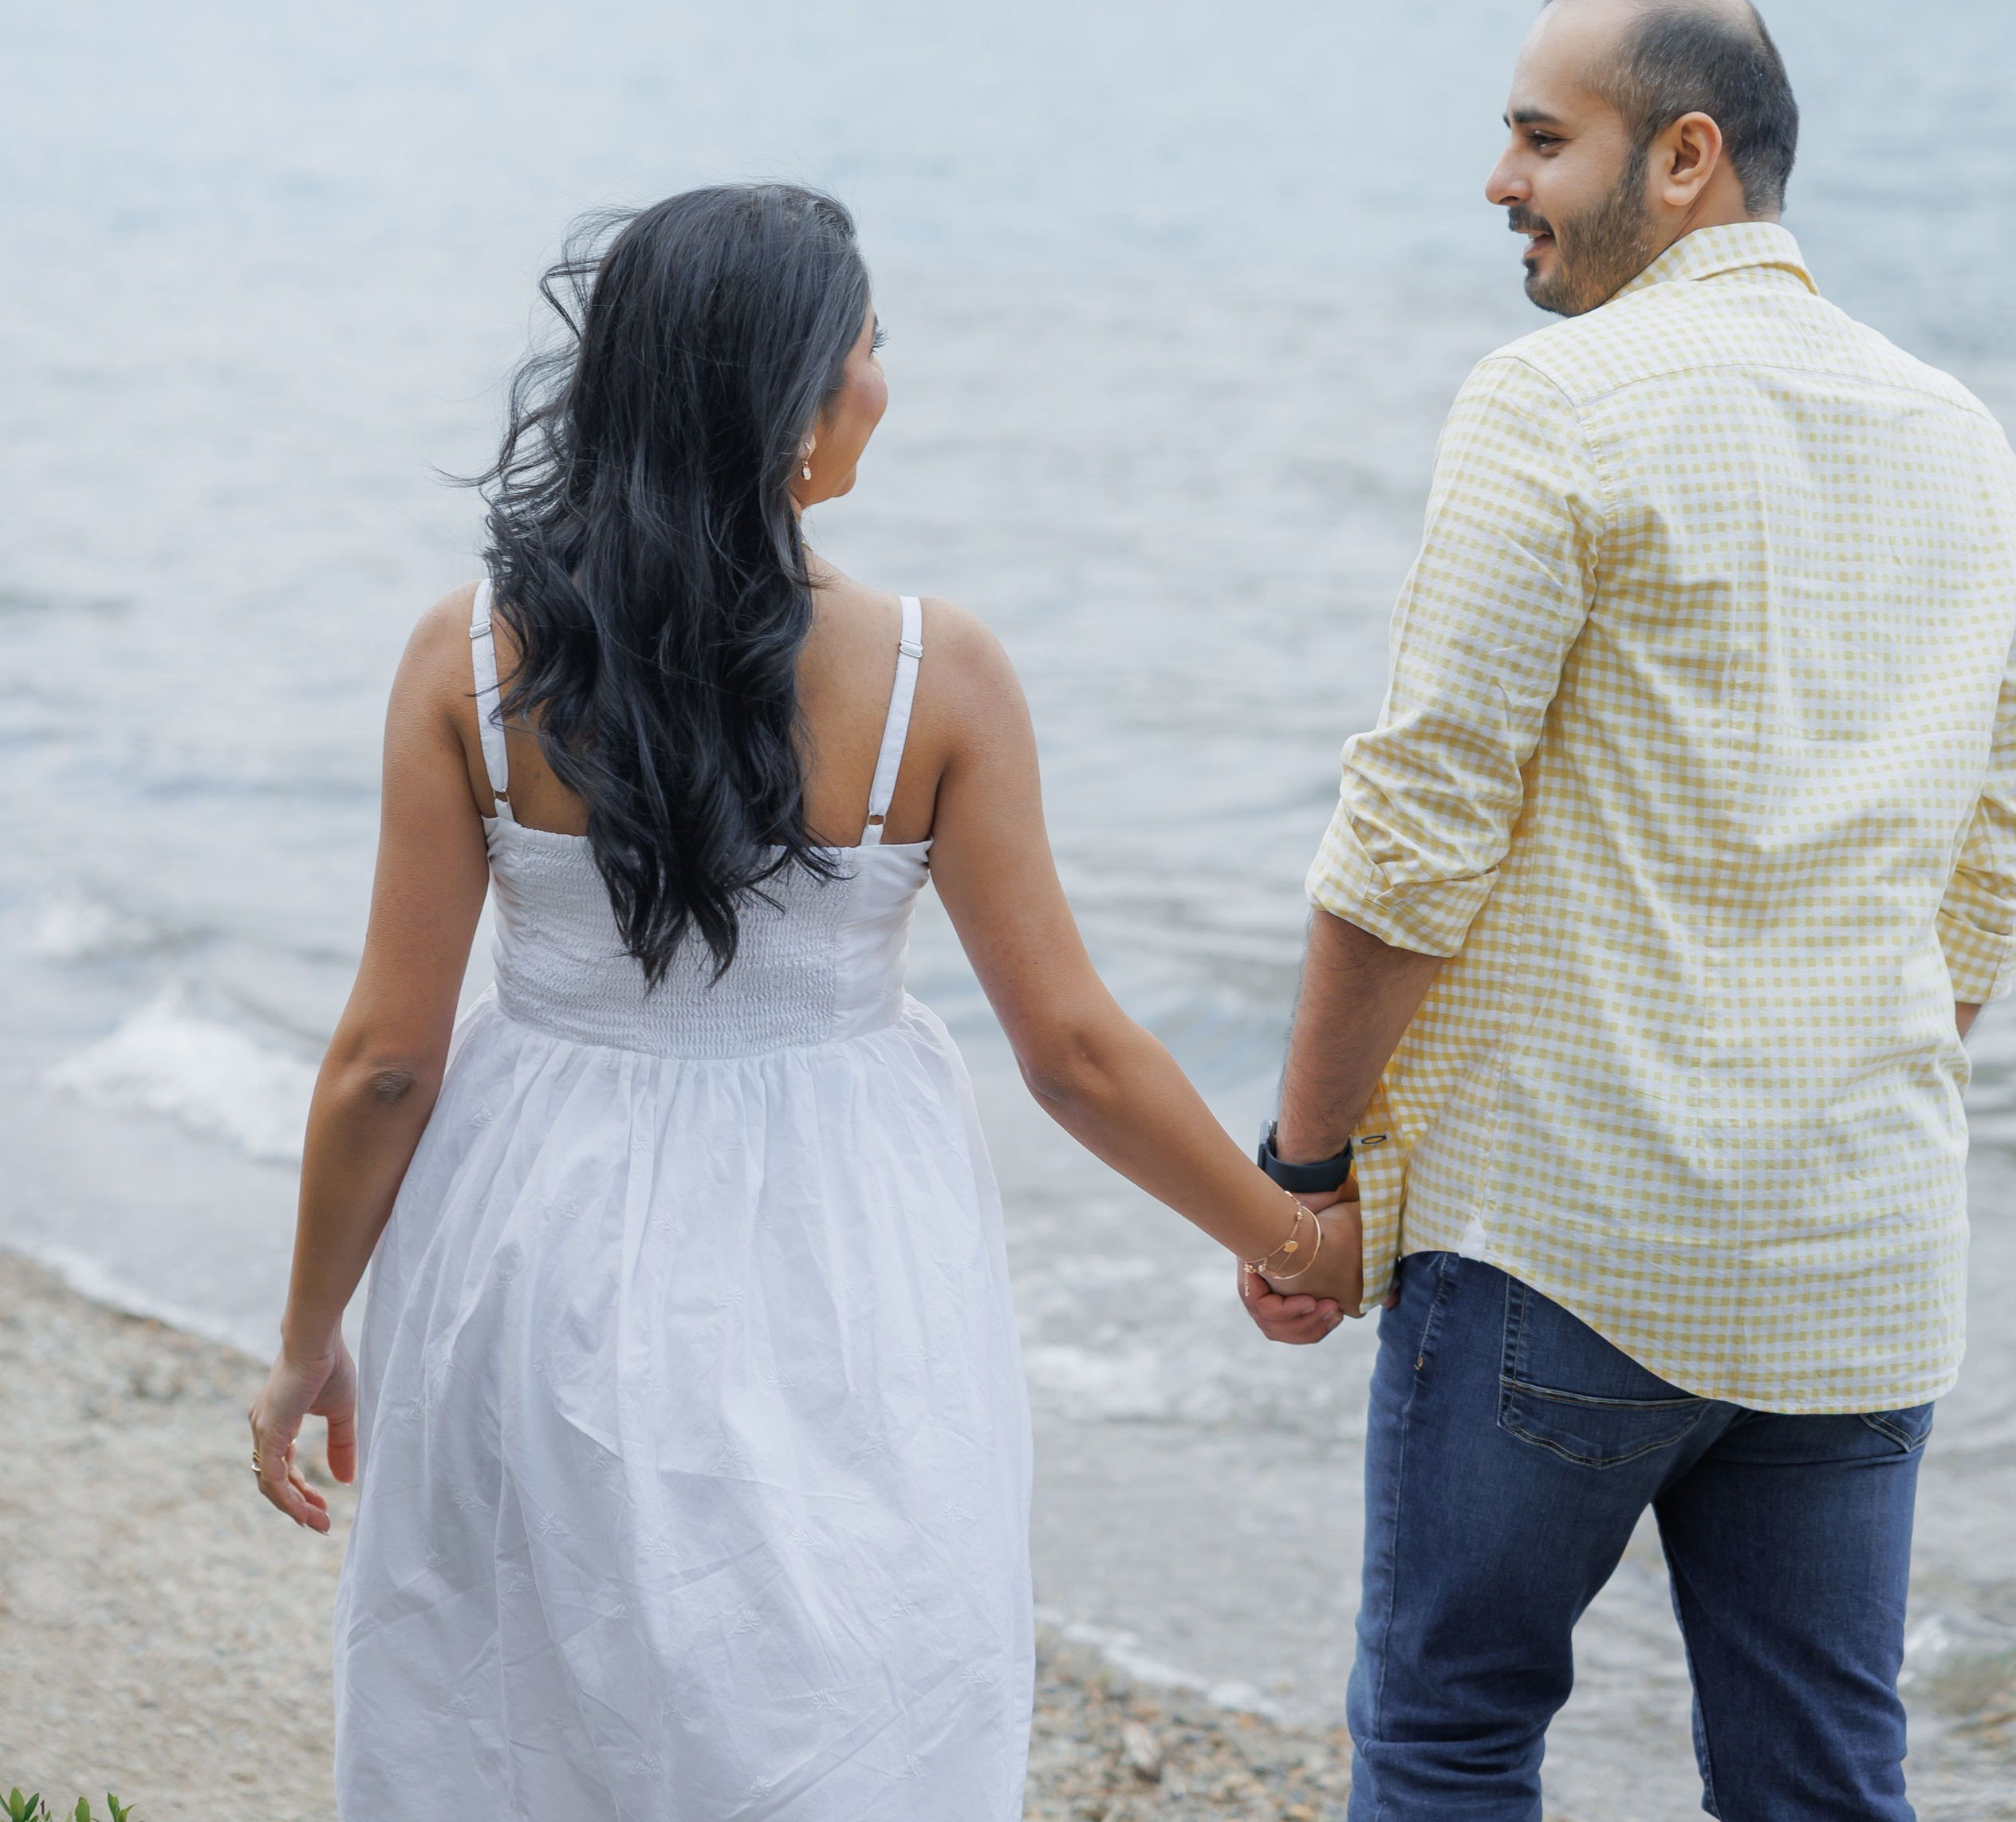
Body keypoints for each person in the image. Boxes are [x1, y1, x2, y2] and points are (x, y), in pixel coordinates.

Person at [250, 183, 1358, 1822]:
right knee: (842, 1664)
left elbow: (384, 1065)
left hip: (529, 1216)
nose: (882, 382)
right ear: (790, 401)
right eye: (867, 346)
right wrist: (1295, 1242)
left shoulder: (470, 659)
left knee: (519, 1686)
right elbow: (1071, 1054)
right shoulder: (932, 673)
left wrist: (305, 1341)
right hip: (837, 1227)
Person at [1243, 0, 2016, 1822]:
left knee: (1450, 1734)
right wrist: (1833, 1083)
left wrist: (1305, 1167)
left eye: (1541, 138)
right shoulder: (1962, 434)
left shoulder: (1552, 402)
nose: (1499, 180)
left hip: (1566, 1231)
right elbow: (1997, 851)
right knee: (1820, 1775)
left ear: (1683, 157)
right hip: (1854, 1244)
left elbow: (1411, 834)